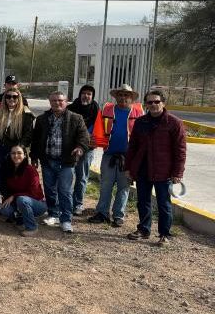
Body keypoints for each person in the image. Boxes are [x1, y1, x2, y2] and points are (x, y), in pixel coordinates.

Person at [125, 90, 186, 246]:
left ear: (163, 103)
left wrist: (178, 172)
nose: (153, 105)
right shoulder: (140, 122)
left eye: (156, 102)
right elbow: (132, 147)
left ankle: (164, 234)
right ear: (146, 104)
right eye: (150, 102)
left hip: (164, 171)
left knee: (163, 204)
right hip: (143, 169)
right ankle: (144, 230)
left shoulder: (174, 123)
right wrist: (129, 168)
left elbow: (180, 150)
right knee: (143, 201)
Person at [31, 91, 89, 233]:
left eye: (60, 100)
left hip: (66, 162)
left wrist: (80, 148)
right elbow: (36, 139)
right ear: (49, 102)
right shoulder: (42, 119)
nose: (57, 103)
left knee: (65, 191)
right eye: (54, 100)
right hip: (47, 160)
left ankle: (66, 219)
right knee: (50, 189)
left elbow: (84, 137)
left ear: (66, 101)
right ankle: (53, 214)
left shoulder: (76, 118)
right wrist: (33, 157)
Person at [88, 84, 144, 227]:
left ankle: (118, 215)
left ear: (131, 98)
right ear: (116, 96)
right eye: (120, 94)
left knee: (123, 187)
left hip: (128, 158)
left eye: (126, 95)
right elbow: (95, 128)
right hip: (109, 155)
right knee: (105, 185)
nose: (123, 97)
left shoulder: (139, 114)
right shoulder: (106, 110)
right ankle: (102, 213)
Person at [0, 144, 47, 236]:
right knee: (5, 210)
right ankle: (21, 218)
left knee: (22, 199)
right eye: (13, 153)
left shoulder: (31, 170)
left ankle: (32, 227)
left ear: (25, 155)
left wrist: (14, 196)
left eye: (19, 153)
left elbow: (34, 193)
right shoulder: (8, 169)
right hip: (18, 201)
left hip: (37, 203)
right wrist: (8, 198)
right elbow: (5, 189)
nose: (16, 156)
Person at [67, 84, 99, 215]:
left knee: (82, 178)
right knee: (67, 176)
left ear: (92, 97)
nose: (86, 96)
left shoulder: (97, 111)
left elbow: (98, 131)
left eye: (89, 94)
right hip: (70, 148)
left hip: (87, 150)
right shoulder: (70, 109)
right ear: (79, 95)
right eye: (84, 93)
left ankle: (77, 204)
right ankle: (66, 203)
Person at [0, 88, 34, 166]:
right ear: (4, 98)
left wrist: (19, 147)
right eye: (8, 96)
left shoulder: (26, 114)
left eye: (14, 97)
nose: (11, 99)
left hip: (16, 153)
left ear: (19, 98)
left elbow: (28, 134)